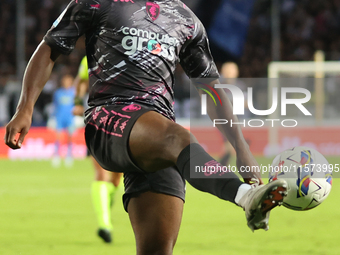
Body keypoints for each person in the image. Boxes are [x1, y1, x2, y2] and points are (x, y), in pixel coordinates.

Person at [5, 1, 288, 254]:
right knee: (179, 138)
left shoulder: (186, 20)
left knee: (157, 248)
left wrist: (241, 149)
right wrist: (24, 108)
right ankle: (245, 197)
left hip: (157, 135)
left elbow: (211, 89)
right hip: (109, 118)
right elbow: (49, 48)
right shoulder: (96, 3)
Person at [73, 56, 123, 243]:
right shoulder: (91, 56)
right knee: (101, 174)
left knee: (117, 178)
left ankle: (106, 203)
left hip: (124, 122)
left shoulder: (130, 50)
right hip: (97, 119)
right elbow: (81, 80)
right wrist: (78, 102)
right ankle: (105, 225)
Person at [51, 73, 75, 167]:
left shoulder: (74, 92)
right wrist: (52, 117)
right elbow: (55, 106)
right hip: (59, 117)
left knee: (69, 138)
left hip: (70, 118)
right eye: (65, 81)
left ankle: (69, 156)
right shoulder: (58, 93)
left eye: (68, 81)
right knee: (58, 137)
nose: (66, 83)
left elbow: (77, 105)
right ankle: (56, 156)